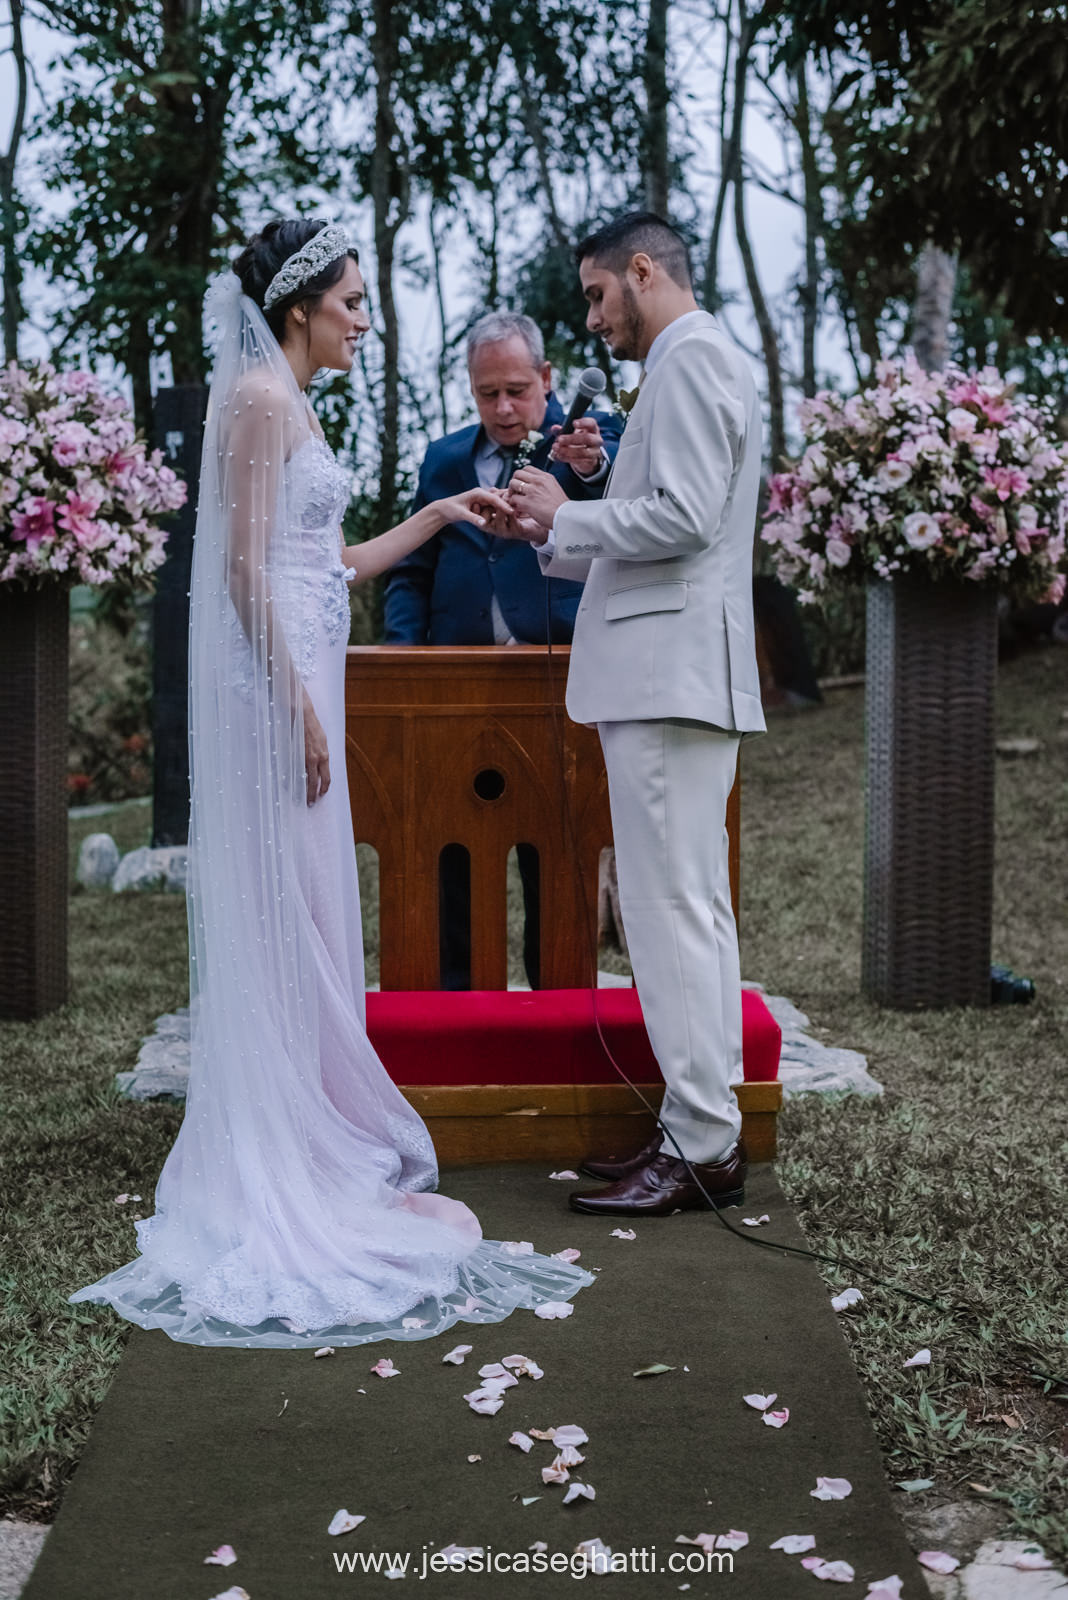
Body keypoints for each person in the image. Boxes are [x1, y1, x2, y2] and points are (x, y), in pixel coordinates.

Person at [70, 220, 593, 1346]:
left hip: (305, 677)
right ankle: (288, 1156)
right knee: (290, 913)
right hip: (279, 698)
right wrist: (304, 707)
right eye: (352, 300)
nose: (365, 318)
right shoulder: (260, 399)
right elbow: (242, 567)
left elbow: (333, 562)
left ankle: (313, 1133)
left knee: (313, 906)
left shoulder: (292, 400)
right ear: (303, 303)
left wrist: (443, 516)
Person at [492, 213, 766, 1217]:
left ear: (643, 269)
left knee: (669, 912)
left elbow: (687, 518)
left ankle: (700, 1142)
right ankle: (701, 1124)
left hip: (668, 676)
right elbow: (665, 523)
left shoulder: (690, 359)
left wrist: (566, 513)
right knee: (691, 907)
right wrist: (558, 518)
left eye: (600, 293)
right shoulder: (695, 362)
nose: (594, 315)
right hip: (677, 670)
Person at [384, 312, 621, 989]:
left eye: (517, 389)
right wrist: (407, 658)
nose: (504, 408)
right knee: (451, 846)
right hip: (451, 684)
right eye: (488, 393)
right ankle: (458, 996)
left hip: (558, 677)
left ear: (547, 379)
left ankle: (556, 996)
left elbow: (608, 492)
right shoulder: (441, 459)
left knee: (552, 847)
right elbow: (412, 571)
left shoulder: (586, 441)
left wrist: (591, 465)